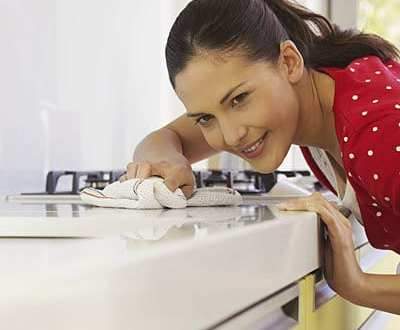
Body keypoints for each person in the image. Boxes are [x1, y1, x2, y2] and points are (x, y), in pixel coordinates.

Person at [120, 0, 400, 313]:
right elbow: (161, 140)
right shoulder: (322, 87)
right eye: (205, 118)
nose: (230, 135)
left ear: (289, 62)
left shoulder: (378, 135)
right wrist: (170, 165)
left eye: (239, 99)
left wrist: (360, 286)